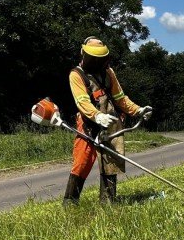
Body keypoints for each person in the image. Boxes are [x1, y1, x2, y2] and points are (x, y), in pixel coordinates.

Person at [62, 37, 152, 205]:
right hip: (88, 123)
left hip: (111, 123)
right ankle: (70, 203)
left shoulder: (108, 72)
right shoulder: (77, 74)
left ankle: (108, 203)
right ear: (84, 54)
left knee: (110, 163)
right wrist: (97, 116)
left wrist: (138, 110)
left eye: (100, 58)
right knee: (82, 162)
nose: (96, 62)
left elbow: (120, 98)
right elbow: (82, 101)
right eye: (93, 58)